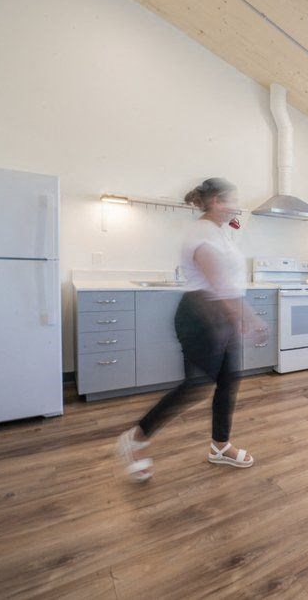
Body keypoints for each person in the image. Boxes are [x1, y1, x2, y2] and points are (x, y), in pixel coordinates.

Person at [116, 178, 267, 481]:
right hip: (202, 315)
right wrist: (250, 317)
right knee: (197, 385)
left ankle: (220, 447)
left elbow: (229, 283)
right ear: (216, 202)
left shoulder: (218, 232)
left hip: (220, 316)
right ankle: (136, 438)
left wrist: (237, 316)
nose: (237, 206)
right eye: (232, 200)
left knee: (228, 382)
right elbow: (221, 286)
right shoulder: (202, 235)